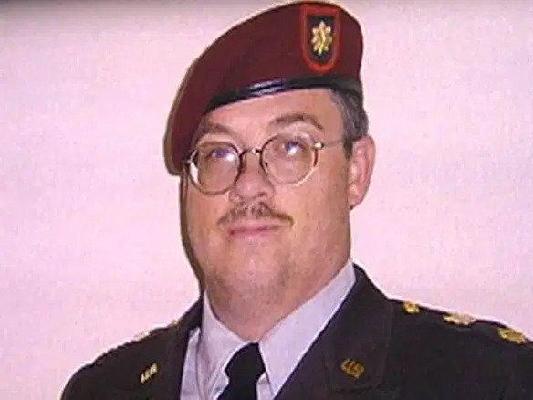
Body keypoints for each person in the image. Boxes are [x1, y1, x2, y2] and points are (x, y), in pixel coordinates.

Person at [61, 2, 532, 399]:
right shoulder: (104, 390)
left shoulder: (487, 381)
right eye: (218, 153)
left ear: (355, 171)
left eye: (291, 146)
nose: (248, 185)